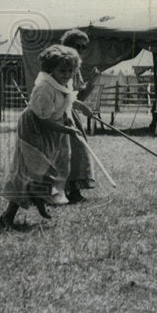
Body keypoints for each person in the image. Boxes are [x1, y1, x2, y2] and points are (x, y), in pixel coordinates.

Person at [0, 45, 86, 228]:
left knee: (48, 168)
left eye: (71, 70)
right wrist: (66, 130)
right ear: (51, 69)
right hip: (35, 128)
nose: (67, 74)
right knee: (29, 170)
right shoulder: (44, 88)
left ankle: (39, 199)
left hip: (51, 129)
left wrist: (81, 106)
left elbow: (66, 98)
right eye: (63, 70)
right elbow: (42, 118)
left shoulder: (62, 83)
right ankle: (8, 216)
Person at [59, 29, 100, 202]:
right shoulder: (59, 63)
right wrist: (80, 104)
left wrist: (92, 83)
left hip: (71, 112)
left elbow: (79, 95)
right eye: (78, 46)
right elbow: (61, 93)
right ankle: (60, 191)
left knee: (78, 150)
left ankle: (73, 190)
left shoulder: (76, 66)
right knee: (65, 152)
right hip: (58, 112)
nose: (81, 50)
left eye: (84, 47)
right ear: (66, 45)